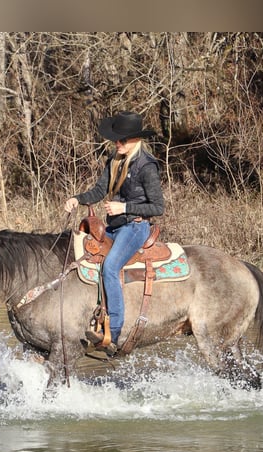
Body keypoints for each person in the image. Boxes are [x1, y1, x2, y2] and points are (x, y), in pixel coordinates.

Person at [64, 110, 164, 355]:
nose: (117, 144)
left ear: (136, 140)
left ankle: (114, 332)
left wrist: (125, 207)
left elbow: (158, 207)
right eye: (117, 140)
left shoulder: (147, 166)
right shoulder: (115, 160)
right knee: (87, 257)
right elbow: (99, 191)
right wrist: (77, 198)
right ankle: (94, 317)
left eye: (123, 140)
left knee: (110, 267)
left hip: (136, 227)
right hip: (115, 227)